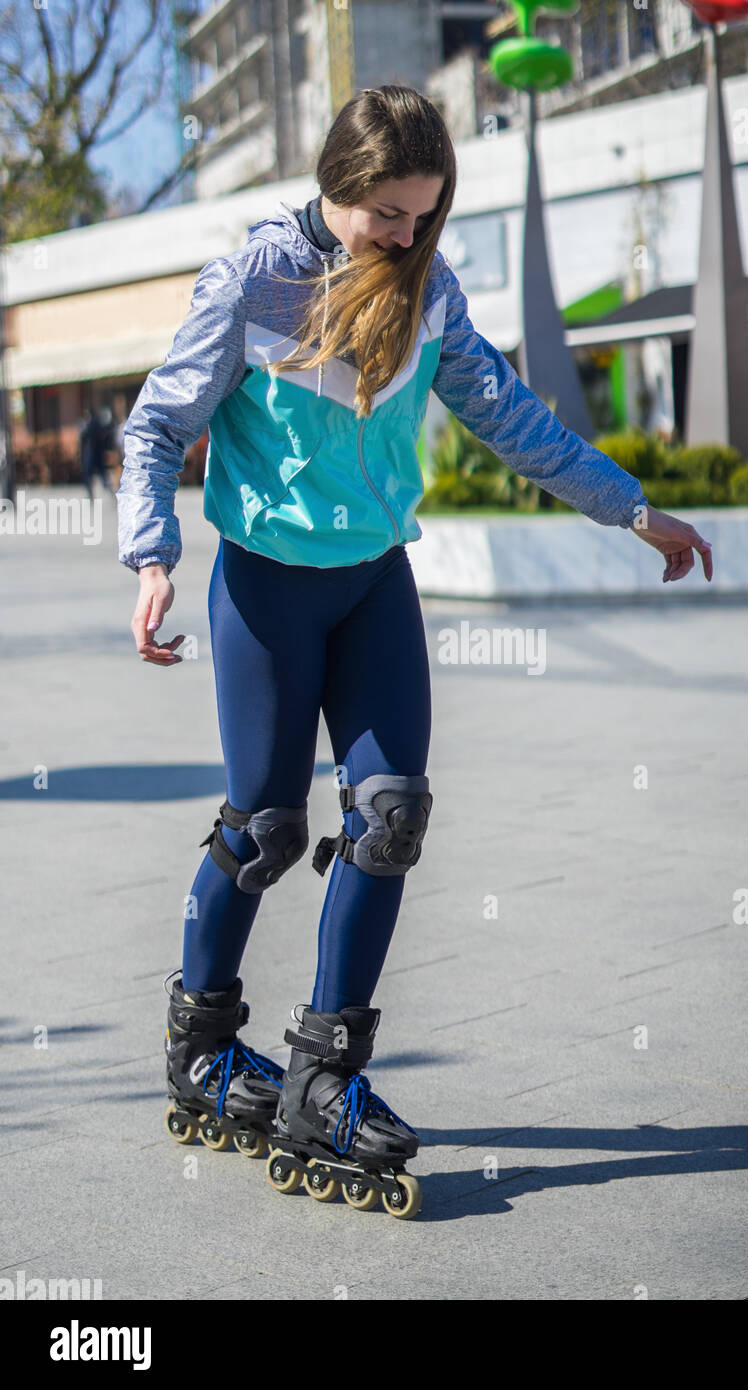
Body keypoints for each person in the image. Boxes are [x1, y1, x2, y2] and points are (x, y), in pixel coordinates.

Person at [117, 85, 712, 1216]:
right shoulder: (253, 281)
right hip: (267, 589)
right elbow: (157, 425)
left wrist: (635, 511)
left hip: (374, 584)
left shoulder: (431, 295)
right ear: (337, 183)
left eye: (423, 214)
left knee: (388, 820)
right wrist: (150, 555)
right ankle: (200, 1041)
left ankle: (324, 1075)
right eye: (387, 212)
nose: (405, 233)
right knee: (265, 828)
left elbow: (514, 420)